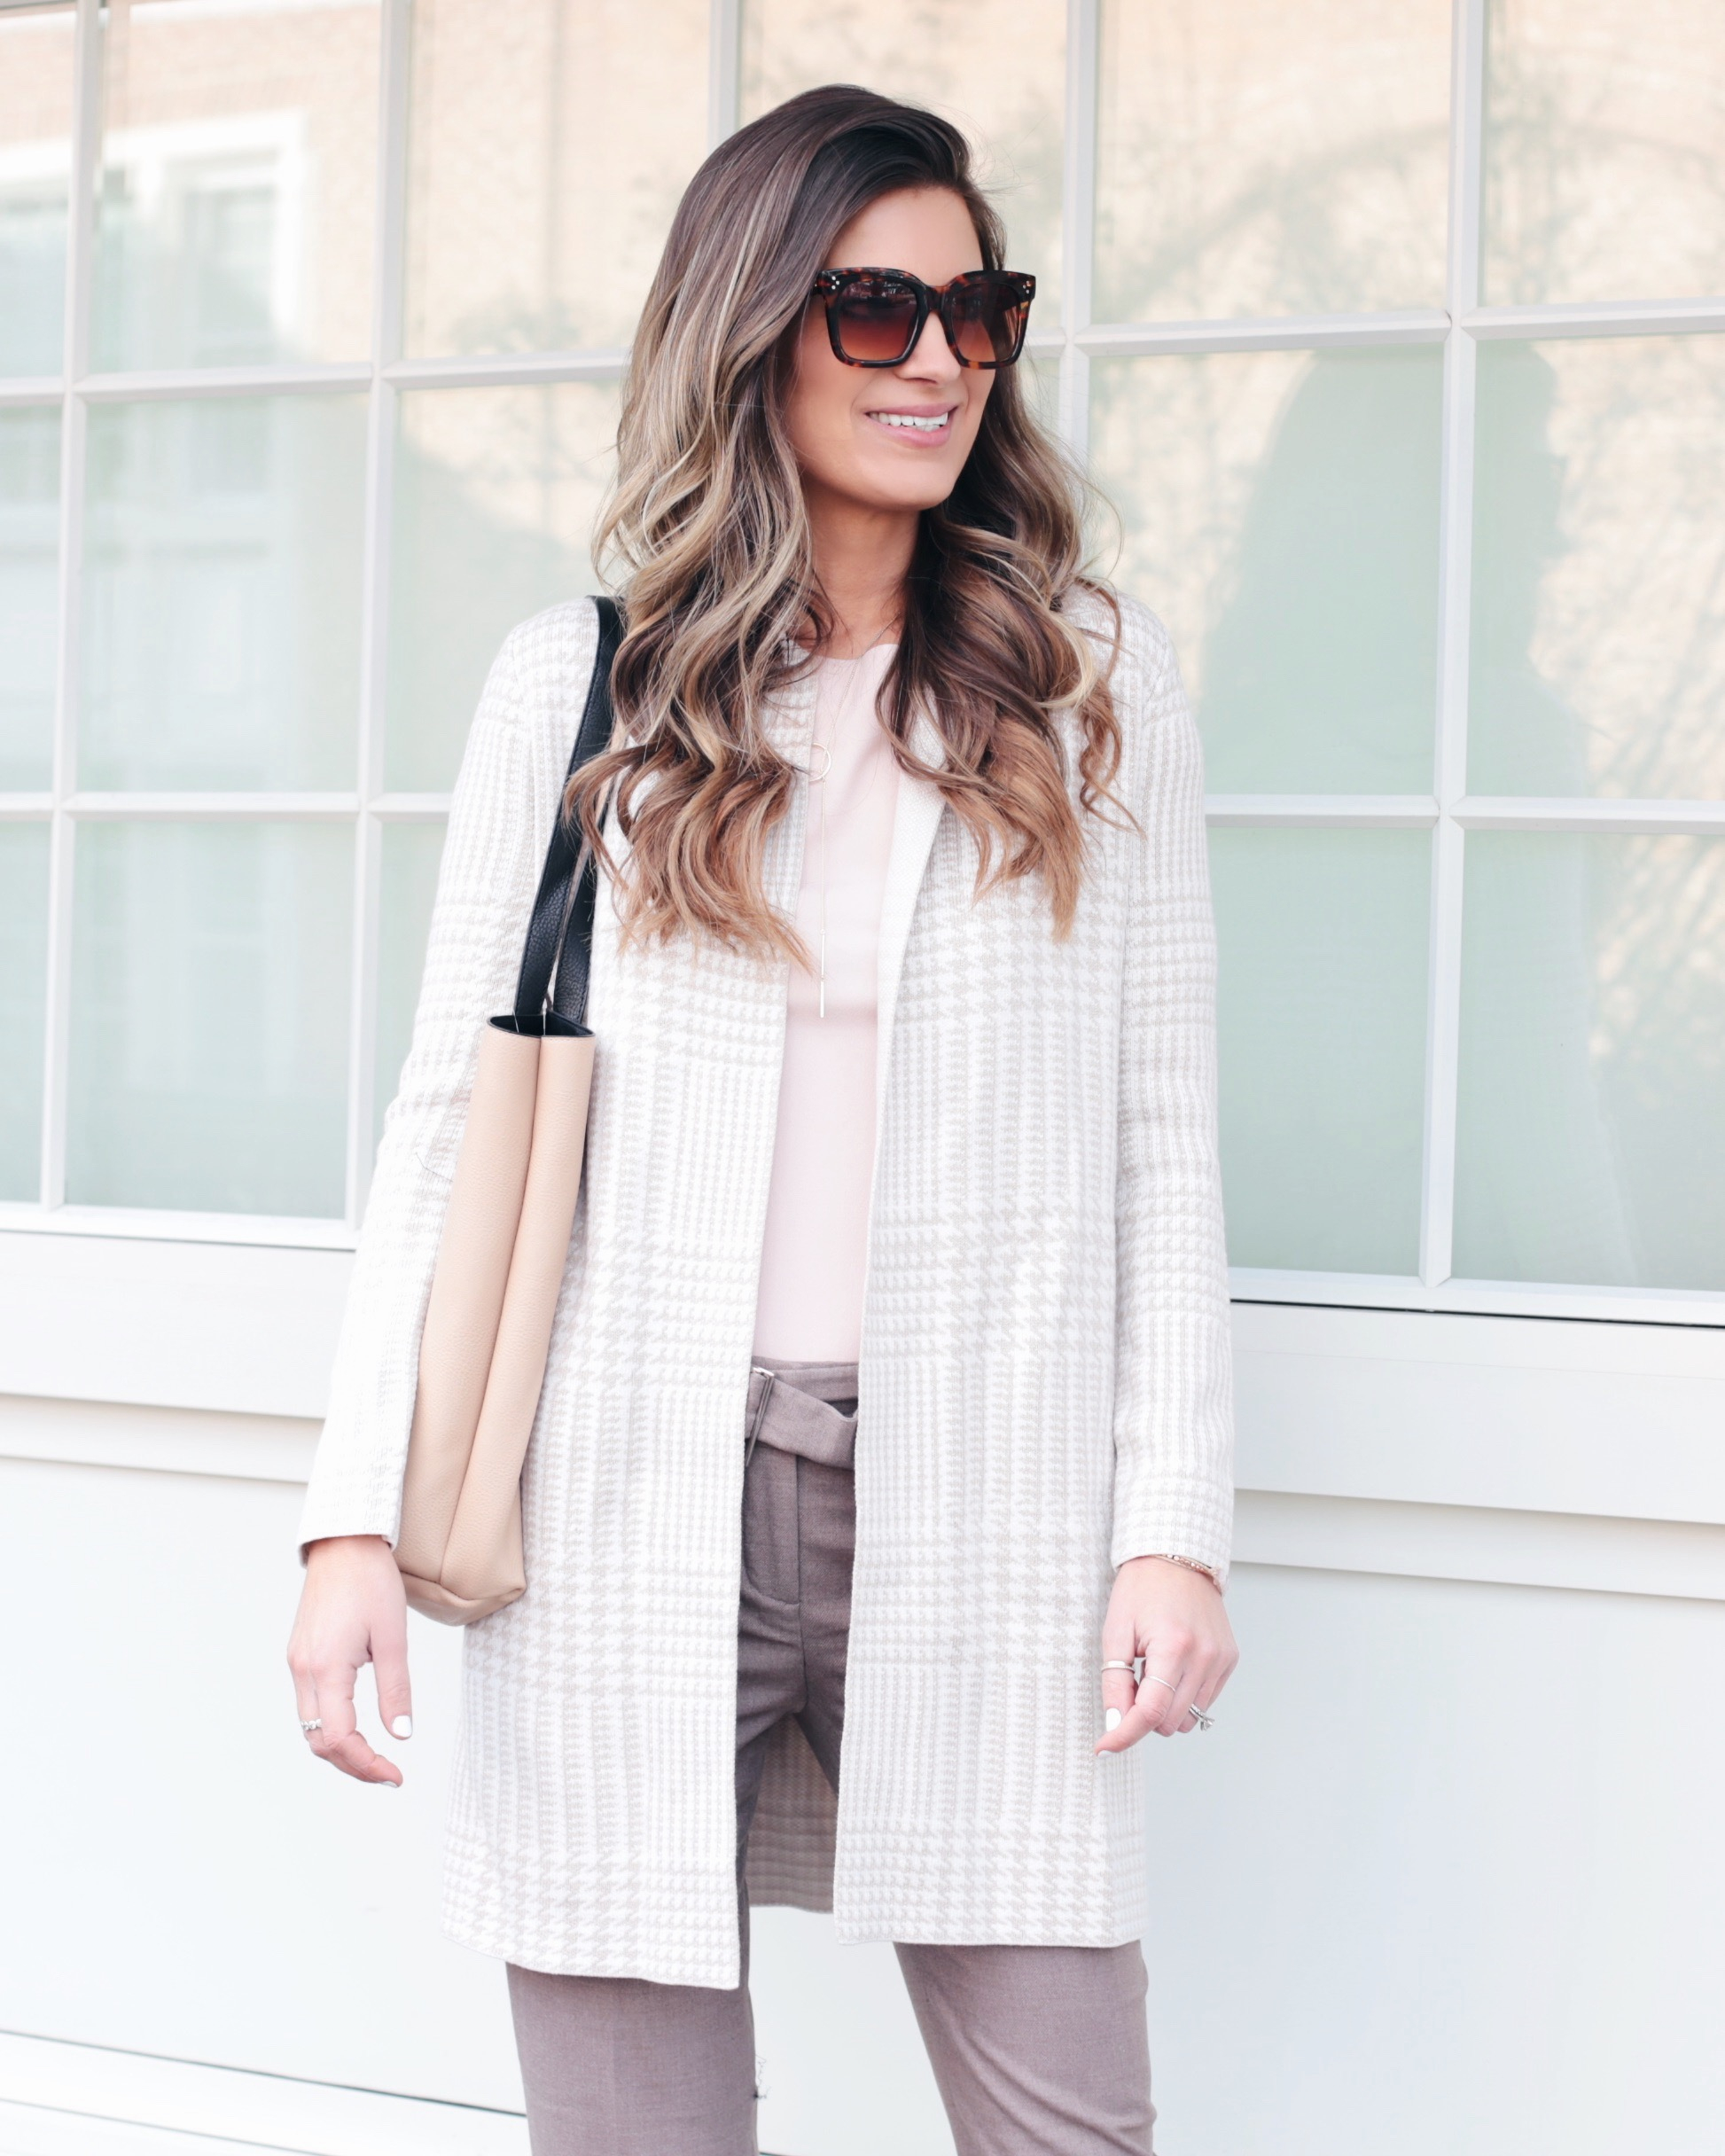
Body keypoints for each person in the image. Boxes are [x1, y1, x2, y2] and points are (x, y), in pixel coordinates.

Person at [288, 82, 1237, 2156]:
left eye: (976, 309)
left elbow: (1159, 1141)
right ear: (751, 331)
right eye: (872, 309)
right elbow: (452, 1120)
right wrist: (352, 1513)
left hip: (983, 1492)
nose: (935, 360)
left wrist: (1169, 1524)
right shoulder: (586, 690)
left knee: (1069, 2121)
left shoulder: (1089, 686)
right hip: (625, 1491)